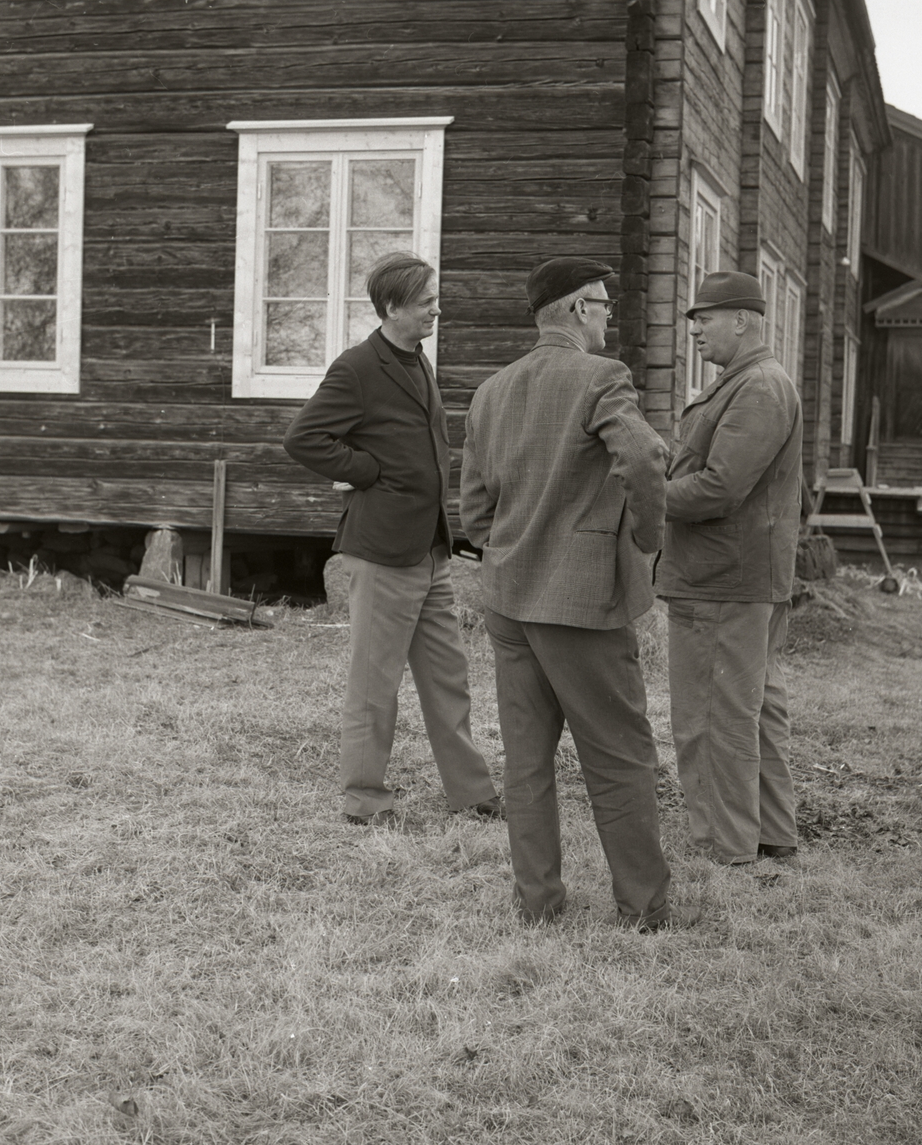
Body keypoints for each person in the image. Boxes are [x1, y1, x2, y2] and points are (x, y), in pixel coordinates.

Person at [460, 256, 692, 931]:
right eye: (600, 304)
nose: (608, 315)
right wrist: (645, 540)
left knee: (526, 760)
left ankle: (537, 904)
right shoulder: (600, 378)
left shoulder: (491, 391)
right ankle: (643, 908)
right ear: (571, 311)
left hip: (507, 596)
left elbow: (473, 506)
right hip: (581, 602)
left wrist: (501, 543)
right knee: (619, 755)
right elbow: (647, 459)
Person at [283, 252, 501, 826]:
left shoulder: (417, 359)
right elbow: (303, 438)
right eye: (427, 300)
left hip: (431, 549)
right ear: (392, 307)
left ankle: (472, 791)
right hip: (381, 551)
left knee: (448, 677)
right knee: (374, 685)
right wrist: (366, 470)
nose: (436, 308)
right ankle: (365, 800)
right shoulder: (357, 367)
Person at [655, 271, 802, 865]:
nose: (694, 330)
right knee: (753, 712)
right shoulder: (746, 384)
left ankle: (725, 846)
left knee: (712, 717)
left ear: (742, 320)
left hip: (723, 581)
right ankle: (769, 835)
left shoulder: (758, 388)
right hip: (738, 578)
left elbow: (719, 488)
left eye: (704, 319)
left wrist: (643, 493)